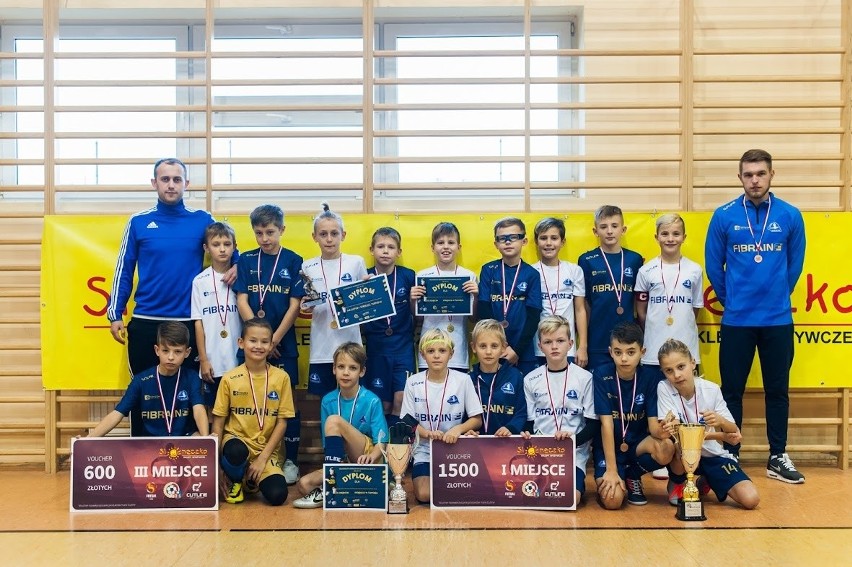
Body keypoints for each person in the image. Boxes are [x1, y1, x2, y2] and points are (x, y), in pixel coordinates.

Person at [107, 158, 236, 435]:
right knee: (143, 394)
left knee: (188, 396)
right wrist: (114, 313)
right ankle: (142, 457)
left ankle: (186, 462)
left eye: (177, 179)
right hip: (145, 322)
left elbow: (229, 251)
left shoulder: (203, 220)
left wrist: (238, 265)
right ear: (154, 183)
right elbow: (124, 269)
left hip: (187, 321)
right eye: (165, 179)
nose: (171, 184)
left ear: (186, 184)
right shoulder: (139, 222)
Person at [705, 148, 806, 484]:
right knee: (731, 390)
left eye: (761, 173)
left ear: (772, 175)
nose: (755, 180)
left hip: (777, 319)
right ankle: (731, 452)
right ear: (740, 178)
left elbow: (794, 267)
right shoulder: (724, 215)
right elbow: (713, 266)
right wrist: (731, 301)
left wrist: (776, 296)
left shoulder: (791, 215)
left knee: (778, 389)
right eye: (748, 175)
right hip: (737, 321)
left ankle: (777, 455)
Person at [233, 204, 305, 485]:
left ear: (282, 230)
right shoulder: (247, 261)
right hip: (254, 343)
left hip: (283, 343)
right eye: (259, 233)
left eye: (271, 232)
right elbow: (241, 300)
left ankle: (292, 459)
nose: (265, 238)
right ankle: (254, 456)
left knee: (289, 405)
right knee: (252, 399)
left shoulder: (293, 260)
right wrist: (260, 338)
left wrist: (273, 340)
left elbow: (295, 305)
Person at [635, 213, 703, 481]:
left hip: (685, 350)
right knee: (656, 408)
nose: (670, 238)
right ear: (656, 237)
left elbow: (695, 308)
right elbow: (641, 311)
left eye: (676, 234)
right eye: (665, 234)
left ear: (684, 237)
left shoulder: (695, 270)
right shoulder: (646, 271)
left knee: (686, 407)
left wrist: (679, 334)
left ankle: (684, 463)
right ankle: (661, 456)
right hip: (653, 351)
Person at [657, 339, 760, 510]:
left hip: (712, 454)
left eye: (681, 367)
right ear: (663, 372)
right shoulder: (664, 388)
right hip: (682, 455)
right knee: (676, 445)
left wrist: (721, 421)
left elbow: (733, 431)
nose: (676, 375)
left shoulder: (711, 389)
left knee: (751, 499)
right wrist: (720, 435)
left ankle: (706, 479)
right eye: (669, 371)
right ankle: (677, 482)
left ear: (692, 363)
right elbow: (676, 433)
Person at [292, 342, 389, 509]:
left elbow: (382, 441)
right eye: (341, 366)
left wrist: (372, 457)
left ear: (362, 371)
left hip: (367, 459)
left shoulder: (371, 400)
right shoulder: (328, 400)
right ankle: (347, 488)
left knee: (334, 421)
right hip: (341, 462)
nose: (346, 372)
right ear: (333, 369)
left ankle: (333, 484)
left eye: (352, 368)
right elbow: (327, 445)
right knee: (304, 484)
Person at [212, 318, 295, 506]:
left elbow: (282, 423)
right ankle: (236, 481)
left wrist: (262, 459)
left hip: (266, 450)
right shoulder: (230, 378)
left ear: (271, 344)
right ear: (241, 343)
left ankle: (250, 479)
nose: (259, 346)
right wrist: (216, 465)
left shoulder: (281, 378)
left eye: (265, 341)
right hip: (238, 442)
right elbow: (218, 423)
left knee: (277, 496)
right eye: (253, 340)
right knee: (235, 450)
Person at [593, 322, 673, 509]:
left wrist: (664, 430)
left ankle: (633, 475)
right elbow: (606, 425)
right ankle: (616, 472)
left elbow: (653, 426)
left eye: (631, 352)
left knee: (667, 448)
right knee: (613, 502)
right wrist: (611, 470)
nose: (624, 358)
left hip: (638, 445)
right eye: (618, 352)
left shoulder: (651, 378)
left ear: (642, 352)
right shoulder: (601, 374)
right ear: (610, 352)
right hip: (609, 447)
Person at [400, 329, 483, 503]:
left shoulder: (463, 380)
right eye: (431, 351)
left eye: (442, 351)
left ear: (451, 354)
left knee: (471, 488)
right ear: (422, 354)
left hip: (455, 449)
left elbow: (477, 419)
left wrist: (458, 429)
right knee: (424, 495)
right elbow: (407, 422)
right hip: (424, 449)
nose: (436, 356)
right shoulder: (412, 382)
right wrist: (427, 433)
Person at [522, 315, 597, 505]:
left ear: (571, 343)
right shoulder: (530, 379)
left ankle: (578, 483)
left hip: (573, 452)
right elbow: (529, 422)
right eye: (548, 342)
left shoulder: (585, 378)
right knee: (528, 495)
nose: (554, 346)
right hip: (539, 453)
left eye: (560, 341)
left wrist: (571, 441)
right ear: (540, 346)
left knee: (569, 498)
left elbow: (593, 424)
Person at [89, 321, 208, 437]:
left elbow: (199, 409)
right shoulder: (141, 380)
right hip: (150, 445)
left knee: (198, 437)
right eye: (165, 351)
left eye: (177, 351)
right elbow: (117, 413)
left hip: (182, 441)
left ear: (187, 352)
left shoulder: (192, 377)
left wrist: (206, 438)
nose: (171, 357)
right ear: (157, 350)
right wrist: (87, 439)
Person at [301, 202, 368, 398]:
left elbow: (366, 303)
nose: (329, 239)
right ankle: (329, 431)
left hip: (350, 343)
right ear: (315, 237)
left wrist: (370, 292)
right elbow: (304, 307)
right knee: (324, 402)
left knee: (352, 399)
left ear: (343, 235)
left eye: (334, 233)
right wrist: (306, 304)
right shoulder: (307, 266)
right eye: (323, 234)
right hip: (321, 345)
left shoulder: (356, 262)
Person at [578, 205, 643, 371]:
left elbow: (640, 303)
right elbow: (584, 305)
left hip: (628, 342)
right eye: (603, 227)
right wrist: (583, 345)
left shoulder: (635, 260)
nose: (609, 231)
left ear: (623, 229)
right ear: (595, 231)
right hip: (597, 340)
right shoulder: (586, 260)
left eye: (614, 226)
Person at [362, 227, 416, 425]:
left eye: (391, 247)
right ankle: (381, 451)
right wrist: (360, 292)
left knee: (401, 400)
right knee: (382, 404)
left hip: (403, 347)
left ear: (399, 252)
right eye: (381, 246)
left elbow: (415, 313)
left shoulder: (408, 276)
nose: (385, 251)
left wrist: (413, 301)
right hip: (376, 348)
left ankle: (397, 452)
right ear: (372, 250)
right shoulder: (364, 277)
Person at [478, 217, 543, 376]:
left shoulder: (532, 274)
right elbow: (484, 309)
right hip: (493, 350)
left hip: (523, 350)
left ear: (524, 241)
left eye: (513, 237)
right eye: (502, 239)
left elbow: (534, 316)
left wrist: (517, 350)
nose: (508, 242)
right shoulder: (488, 270)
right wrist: (499, 346)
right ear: (496, 244)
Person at [411, 222, 479, 373]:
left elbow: (473, 319)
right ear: (433, 248)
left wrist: (475, 295)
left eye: (451, 242)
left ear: (459, 247)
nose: (446, 247)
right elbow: (418, 319)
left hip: (458, 351)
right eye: (440, 242)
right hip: (429, 349)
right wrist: (413, 300)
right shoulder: (422, 276)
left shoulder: (469, 276)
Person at [191, 222, 241, 419]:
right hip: (212, 360)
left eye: (227, 244)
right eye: (216, 244)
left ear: (235, 247)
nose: (222, 249)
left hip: (238, 358)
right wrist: (203, 359)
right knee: (214, 412)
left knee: (238, 412)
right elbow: (198, 323)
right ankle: (216, 449)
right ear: (206, 248)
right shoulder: (199, 281)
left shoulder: (242, 277)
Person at [533, 217, 588, 368]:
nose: (549, 243)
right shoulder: (530, 272)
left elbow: (580, 309)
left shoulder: (574, 270)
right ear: (536, 242)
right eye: (543, 238)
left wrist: (582, 347)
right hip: (539, 348)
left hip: (567, 348)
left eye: (554, 238)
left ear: (562, 242)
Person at [468, 319, 526, 436]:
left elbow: (521, 411)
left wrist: (511, 428)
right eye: (482, 346)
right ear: (474, 347)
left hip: (506, 443)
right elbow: (464, 413)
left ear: (503, 348)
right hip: (475, 445)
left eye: (494, 346)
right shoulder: (468, 379)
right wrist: (467, 430)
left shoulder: (516, 376)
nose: (488, 352)